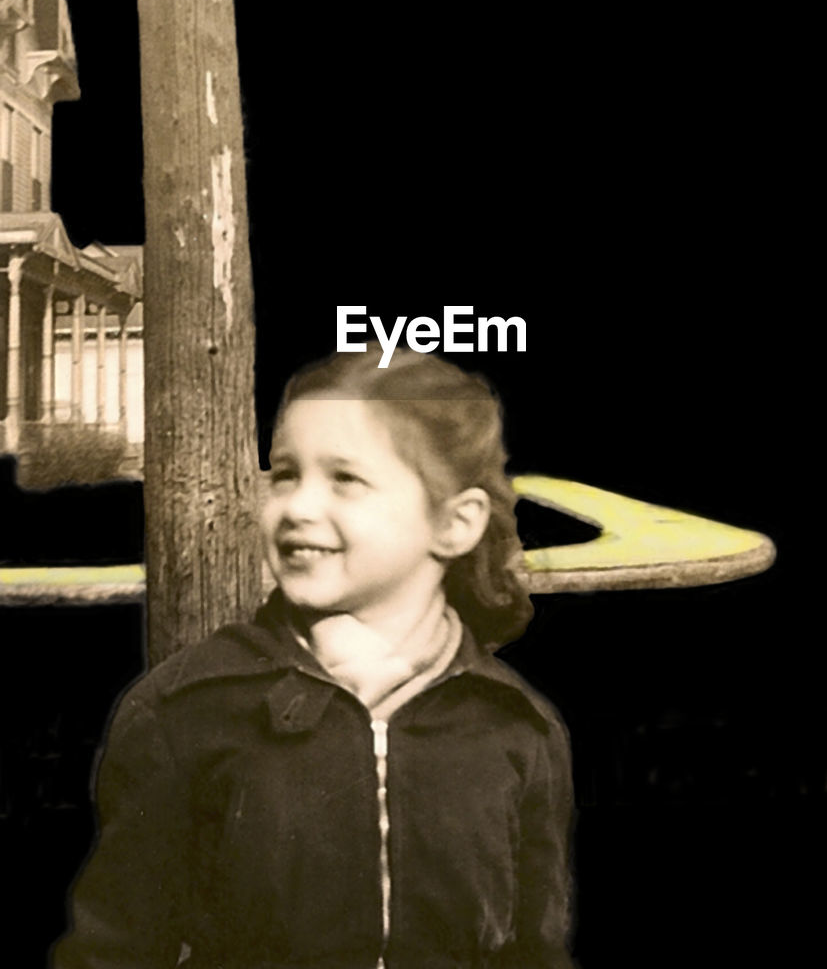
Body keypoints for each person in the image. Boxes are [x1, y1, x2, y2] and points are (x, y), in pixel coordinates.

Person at [53, 345, 576, 968]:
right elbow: (114, 953)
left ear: (454, 524)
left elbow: (534, 955)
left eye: (345, 479)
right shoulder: (186, 709)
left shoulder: (516, 728)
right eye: (285, 474)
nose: (299, 506)